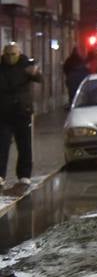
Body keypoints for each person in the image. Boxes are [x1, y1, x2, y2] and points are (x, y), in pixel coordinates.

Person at [0, 42, 42, 188]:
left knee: (24, 145)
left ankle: (24, 175)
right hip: (3, 113)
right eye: (7, 54)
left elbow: (39, 79)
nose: (10, 57)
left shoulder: (26, 65)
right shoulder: (1, 66)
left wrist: (34, 72)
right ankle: (0, 175)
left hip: (22, 112)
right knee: (2, 145)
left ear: (18, 54)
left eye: (13, 54)